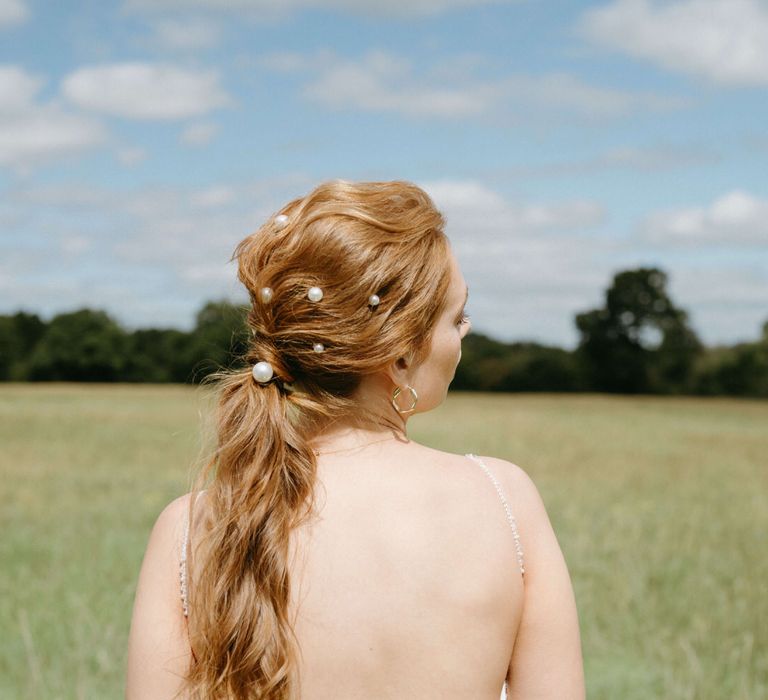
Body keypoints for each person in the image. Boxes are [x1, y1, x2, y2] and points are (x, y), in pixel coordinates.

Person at [125, 180, 585, 700]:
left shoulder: (192, 528)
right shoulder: (504, 499)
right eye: (456, 318)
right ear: (400, 356)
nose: (467, 332)